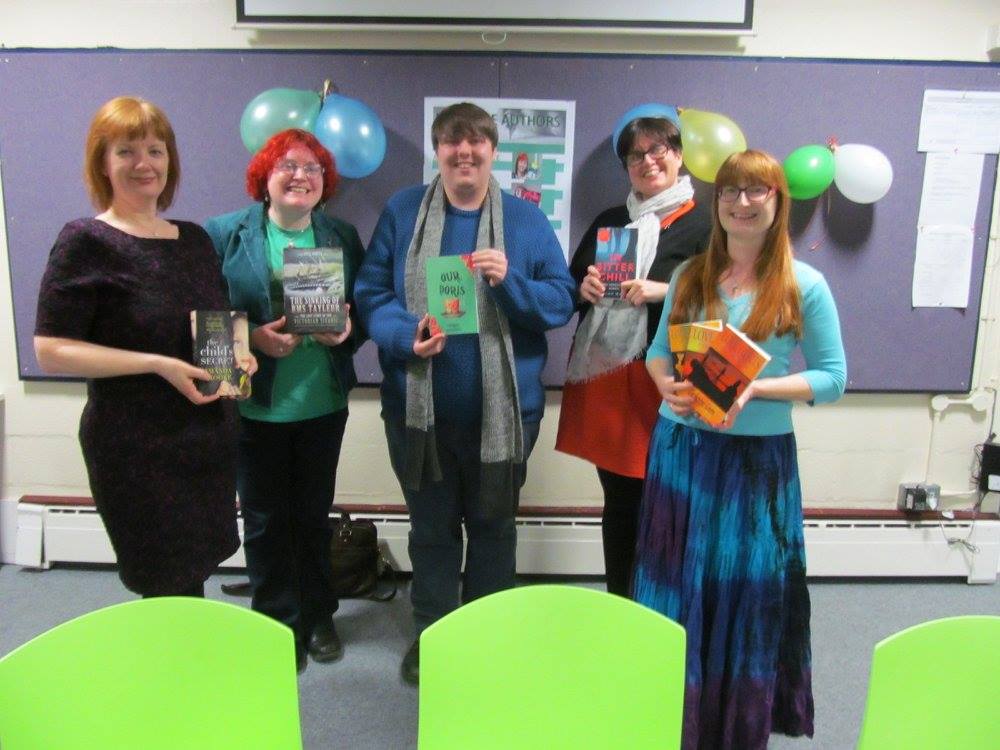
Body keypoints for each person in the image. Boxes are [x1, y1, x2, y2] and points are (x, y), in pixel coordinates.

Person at [355, 102, 575, 686]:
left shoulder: (526, 223)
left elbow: (560, 301)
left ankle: (484, 634)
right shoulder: (404, 211)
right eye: (452, 141)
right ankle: (433, 636)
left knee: (494, 529)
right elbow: (370, 292)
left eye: (476, 141)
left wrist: (513, 283)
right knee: (430, 531)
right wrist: (406, 334)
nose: (464, 152)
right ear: (438, 151)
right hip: (417, 415)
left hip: (505, 421)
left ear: (493, 151)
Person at [635, 150, 847, 749]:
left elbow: (833, 378)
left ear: (779, 204)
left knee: (741, 596)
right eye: (731, 191)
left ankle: (731, 727)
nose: (742, 203)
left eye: (758, 192)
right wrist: (666, 384)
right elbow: (657, 353)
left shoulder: (805, 284)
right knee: (676, 586)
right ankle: (670, 718)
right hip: (681, 452)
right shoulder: (689, 276)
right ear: (717, 201)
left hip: (756, 465)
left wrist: (755, 388)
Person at [34, 96, 251, 597]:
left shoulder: (195, 240)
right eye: (126, 151)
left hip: (206, 441)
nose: (143, 164)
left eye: (155, 150)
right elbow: (51, 349)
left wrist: (240, 358)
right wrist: (155, 365)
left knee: (194, 576)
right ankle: (171, 673)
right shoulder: (85, 241)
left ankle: (189, 669)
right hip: (136, 448)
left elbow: (212, 328)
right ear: (103, 164)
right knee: (163, 585)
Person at [204, 129, 364, 674]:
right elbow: (205, 323)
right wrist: (254, 341)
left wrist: (345, 332)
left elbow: (360, 313)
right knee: (266, 519)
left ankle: (319, 617)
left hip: (321, 402)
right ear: (264, 177)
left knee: (313, 516)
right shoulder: (225, 234)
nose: (301, 176)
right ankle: (276, 621)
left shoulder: (340, 234)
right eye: (288, 167)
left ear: (325, 182)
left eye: (313, 168)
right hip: (254, 404)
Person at [555, 116, 710, 597]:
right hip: (613, 380)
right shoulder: (610, 221)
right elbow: (569, 289)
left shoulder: (708, 221)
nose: (648, 161)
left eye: (658, 149)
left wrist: (666, 289)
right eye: (635, 155)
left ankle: (667, 606)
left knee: (673, 501)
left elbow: (729, 296)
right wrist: (585, 286)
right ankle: (621, 601)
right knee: (620, 500)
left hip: (675, 383)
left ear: (678, 154)